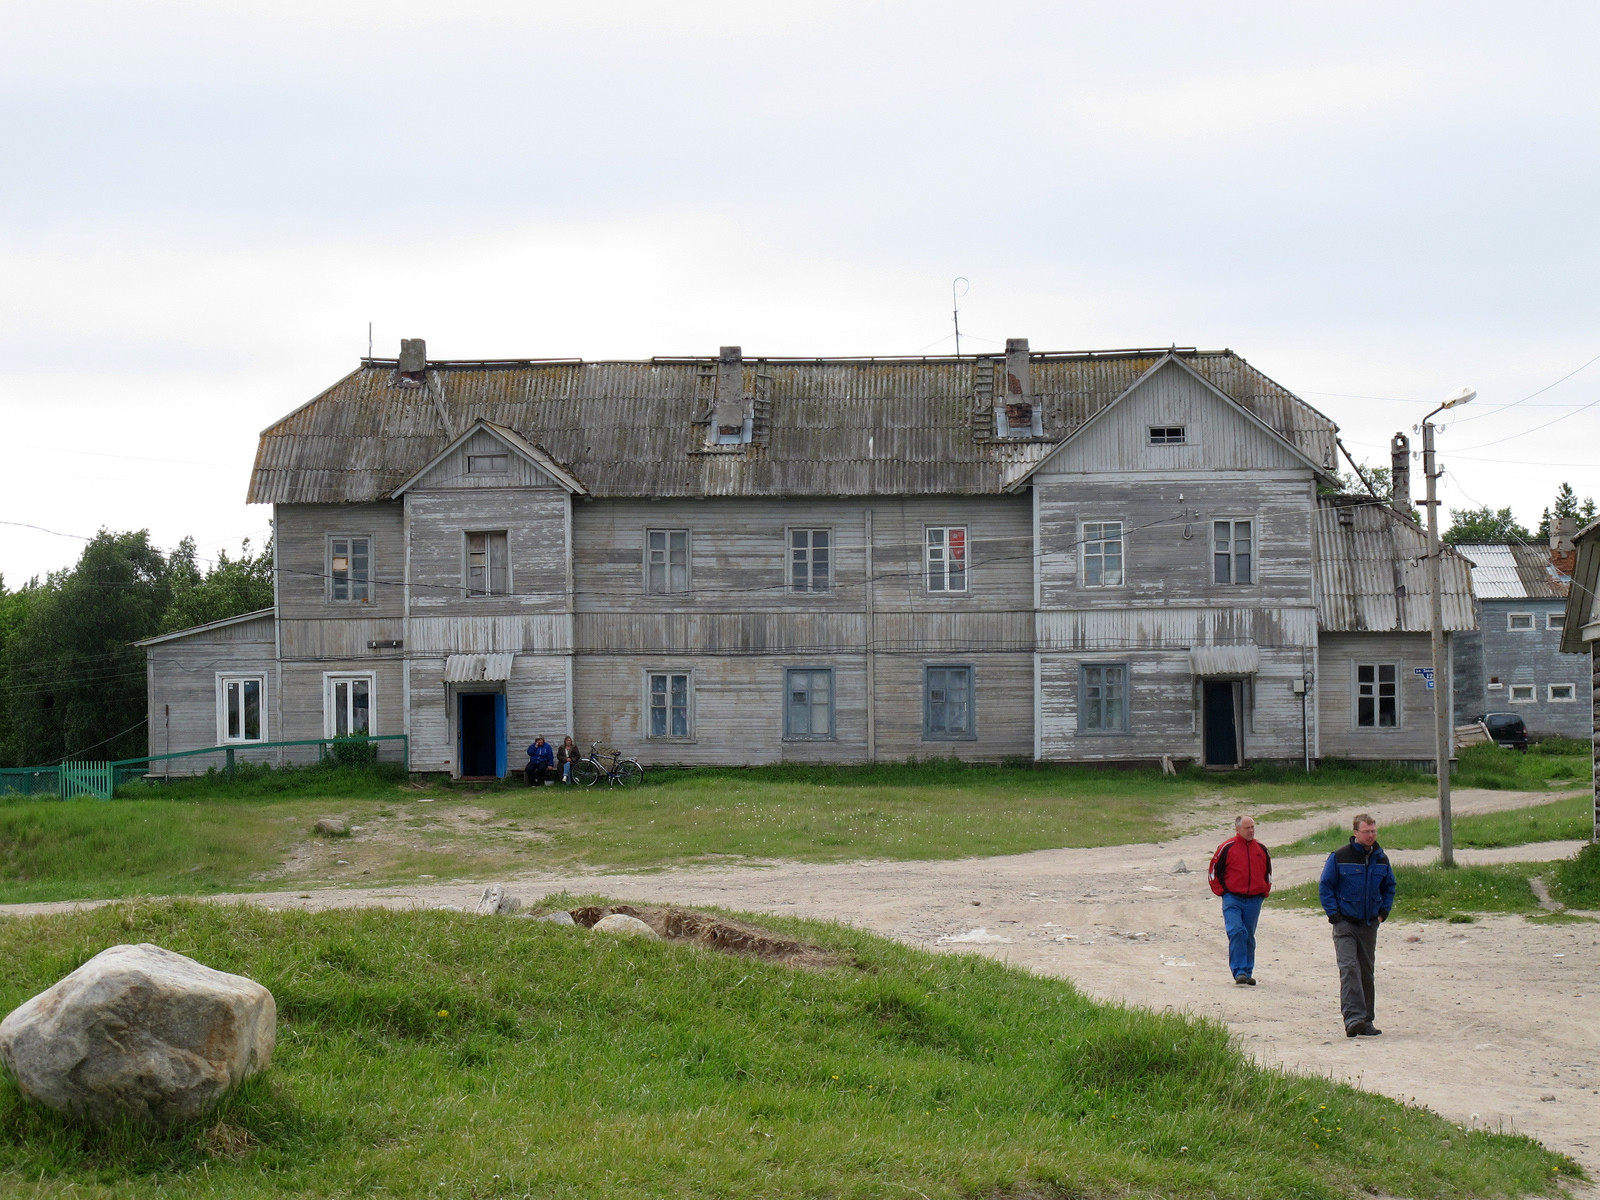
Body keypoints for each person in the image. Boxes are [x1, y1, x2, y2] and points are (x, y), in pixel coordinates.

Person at [1319, 813, 1396, 1038]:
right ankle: (1353, 1018)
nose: (1371, 835)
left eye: (1373, 831)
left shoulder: (1381, 858)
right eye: (1366, 832)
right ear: (1356, 833)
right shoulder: (1340, 856)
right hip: (1345, 924)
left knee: (1366, 972)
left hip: (1369, 924)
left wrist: (1383, 913)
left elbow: (1389, 886)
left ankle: (1367, 1021)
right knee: (1349, 968)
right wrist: (1334, 915)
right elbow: (1326, 886)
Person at [1207, 814, 1273, 985]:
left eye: (1252, 827)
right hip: (1232, 899)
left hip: (1254, 900)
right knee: (1237, 931)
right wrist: (1222, 892)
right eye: (1247, 828)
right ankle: (1239, 971)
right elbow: (1214, 870)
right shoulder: (1226, 847)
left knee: (1249, 935)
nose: (1251, 830)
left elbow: (1268, 873)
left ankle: (1248, 972)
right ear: (1237, 829)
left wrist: (1264, 891)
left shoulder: (1261, 849)